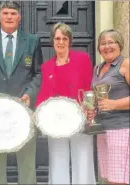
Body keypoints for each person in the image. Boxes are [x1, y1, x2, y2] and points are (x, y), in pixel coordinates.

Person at [0, 1, 43, 184]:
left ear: (19, 17)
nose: (9, 17)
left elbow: (38, 73)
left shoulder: (32, 41)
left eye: (13, 13)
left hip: (23, 109)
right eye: (5, 13)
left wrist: (30, 93)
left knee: (27, 161)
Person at [36, 23, 96, 184]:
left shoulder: (82, 59)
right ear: (52, 41)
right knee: (57, 160)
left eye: (64, 38)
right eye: (57, 38)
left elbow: (90, 85)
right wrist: (38, 113)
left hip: (81, 116)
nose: (61, 42)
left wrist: (90, 109)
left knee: (83, 158)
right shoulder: (46, 67)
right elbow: (43, 95)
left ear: (70, 41)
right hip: (56, 121)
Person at [89, 29, 129, 185]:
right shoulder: (97, 69)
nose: (107, 46)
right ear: (99, 48)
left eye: (111, 42)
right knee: (109, 178)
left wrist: (114, 104)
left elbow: (111, 102)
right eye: (103, 43)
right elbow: (98, 97)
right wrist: (92, 109)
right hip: (103, 129)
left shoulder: (125, 64)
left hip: (121, 129)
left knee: (120, 179)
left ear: (120, 44)